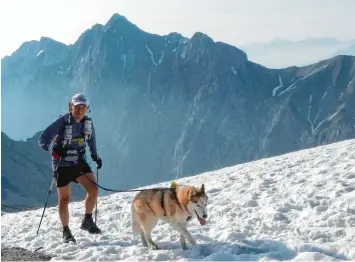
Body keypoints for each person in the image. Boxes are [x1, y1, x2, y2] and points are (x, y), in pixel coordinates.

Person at [38, 93, 103, 243]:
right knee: (65, 199)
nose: (80, 110)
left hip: (79, 161)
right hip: (62, 163)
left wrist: (95, 156)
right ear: (71, 106)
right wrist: (54, 148)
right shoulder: (61, 121)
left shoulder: (88, 123)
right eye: (77, 106)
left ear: (87, 108)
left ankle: (87, 220)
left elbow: (92, 139)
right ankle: (66, 231)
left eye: (83, 107)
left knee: (93, 190)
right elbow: (43, 139)